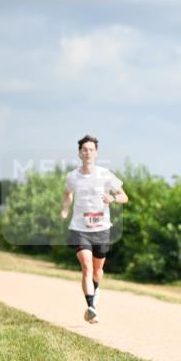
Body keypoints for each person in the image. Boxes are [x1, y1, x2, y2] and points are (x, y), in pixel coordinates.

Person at [60, 135, 128, 323]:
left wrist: (113, 198)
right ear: (79, 153)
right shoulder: (72, 177)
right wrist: (65, 209)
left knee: (98, 270)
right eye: (84, 149)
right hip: (79, 229)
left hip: (101, 229)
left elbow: (124, 196)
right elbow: (67, 194)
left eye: (91, 149)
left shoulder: (105, 174)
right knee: (87, 266)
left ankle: (94, 293)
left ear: (96, 153)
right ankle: (90, 306)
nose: (87, 152)